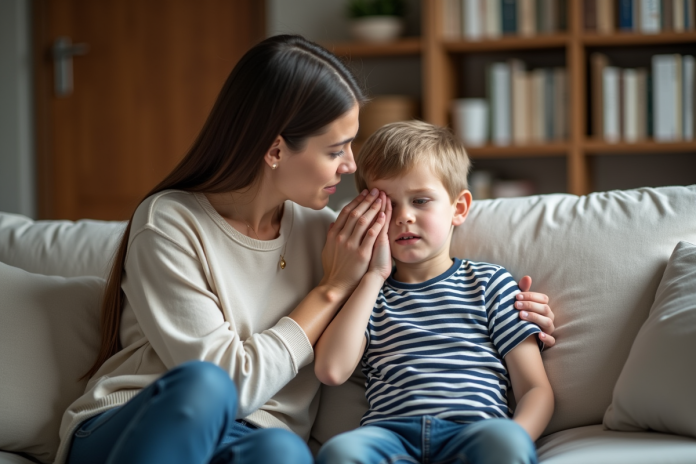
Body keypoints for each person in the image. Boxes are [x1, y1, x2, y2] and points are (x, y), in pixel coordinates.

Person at [56, 35, 556, 464]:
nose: (349, 167)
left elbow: (420, 283)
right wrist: (332, 286)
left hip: (252, 436)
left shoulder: (335, 233)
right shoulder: (170, 221)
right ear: (275, 151)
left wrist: (519, 310)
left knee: (285, 453)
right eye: (335, 150)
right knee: (204, 386)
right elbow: (228, 384)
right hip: (135, 423)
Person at [314, 121, 555, 464]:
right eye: (388, 205)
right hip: (391, 435)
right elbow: (332, 370)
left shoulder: (491, 283)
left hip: (474, 431)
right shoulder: (368, 296)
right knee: (340, 451)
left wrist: (518, 435)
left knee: (504, 443)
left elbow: (535, 388)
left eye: (421, 201)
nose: (404, 217)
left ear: (458, 208)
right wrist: (375, 275)